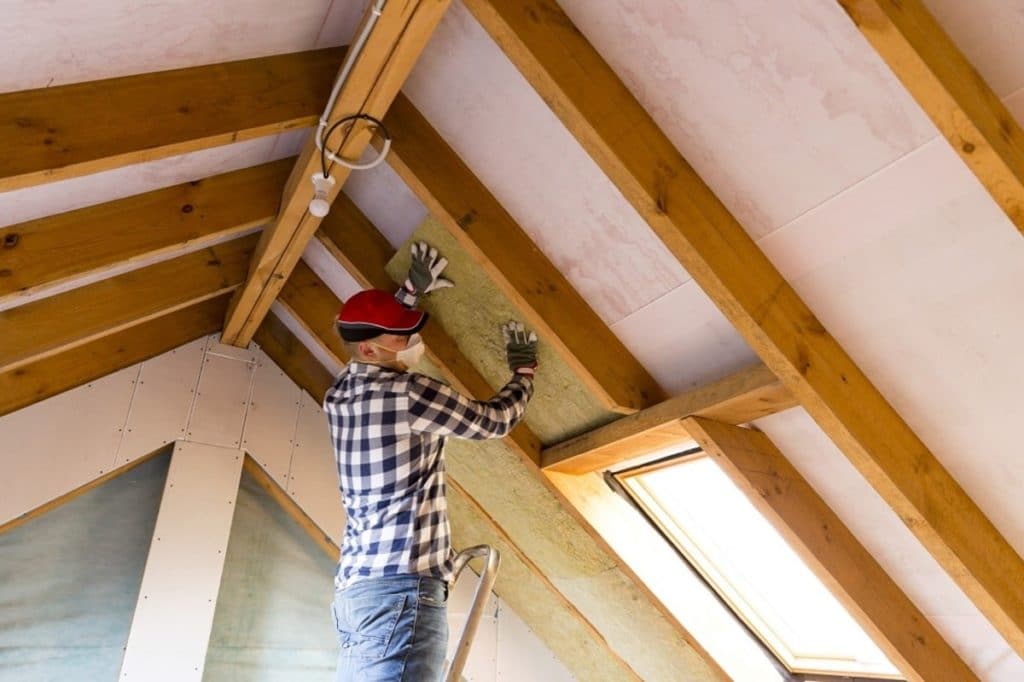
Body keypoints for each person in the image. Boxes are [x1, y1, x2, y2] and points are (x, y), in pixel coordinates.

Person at [324, 241, 538, 682]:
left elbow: (373, 335)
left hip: (357, 594)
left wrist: (407, 296)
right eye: (401, 335)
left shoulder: (339, 394)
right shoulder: (408, 394)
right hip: (402, 593)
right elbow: (493, 421)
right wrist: (524, 376)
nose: (411, 341)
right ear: (368, 351)